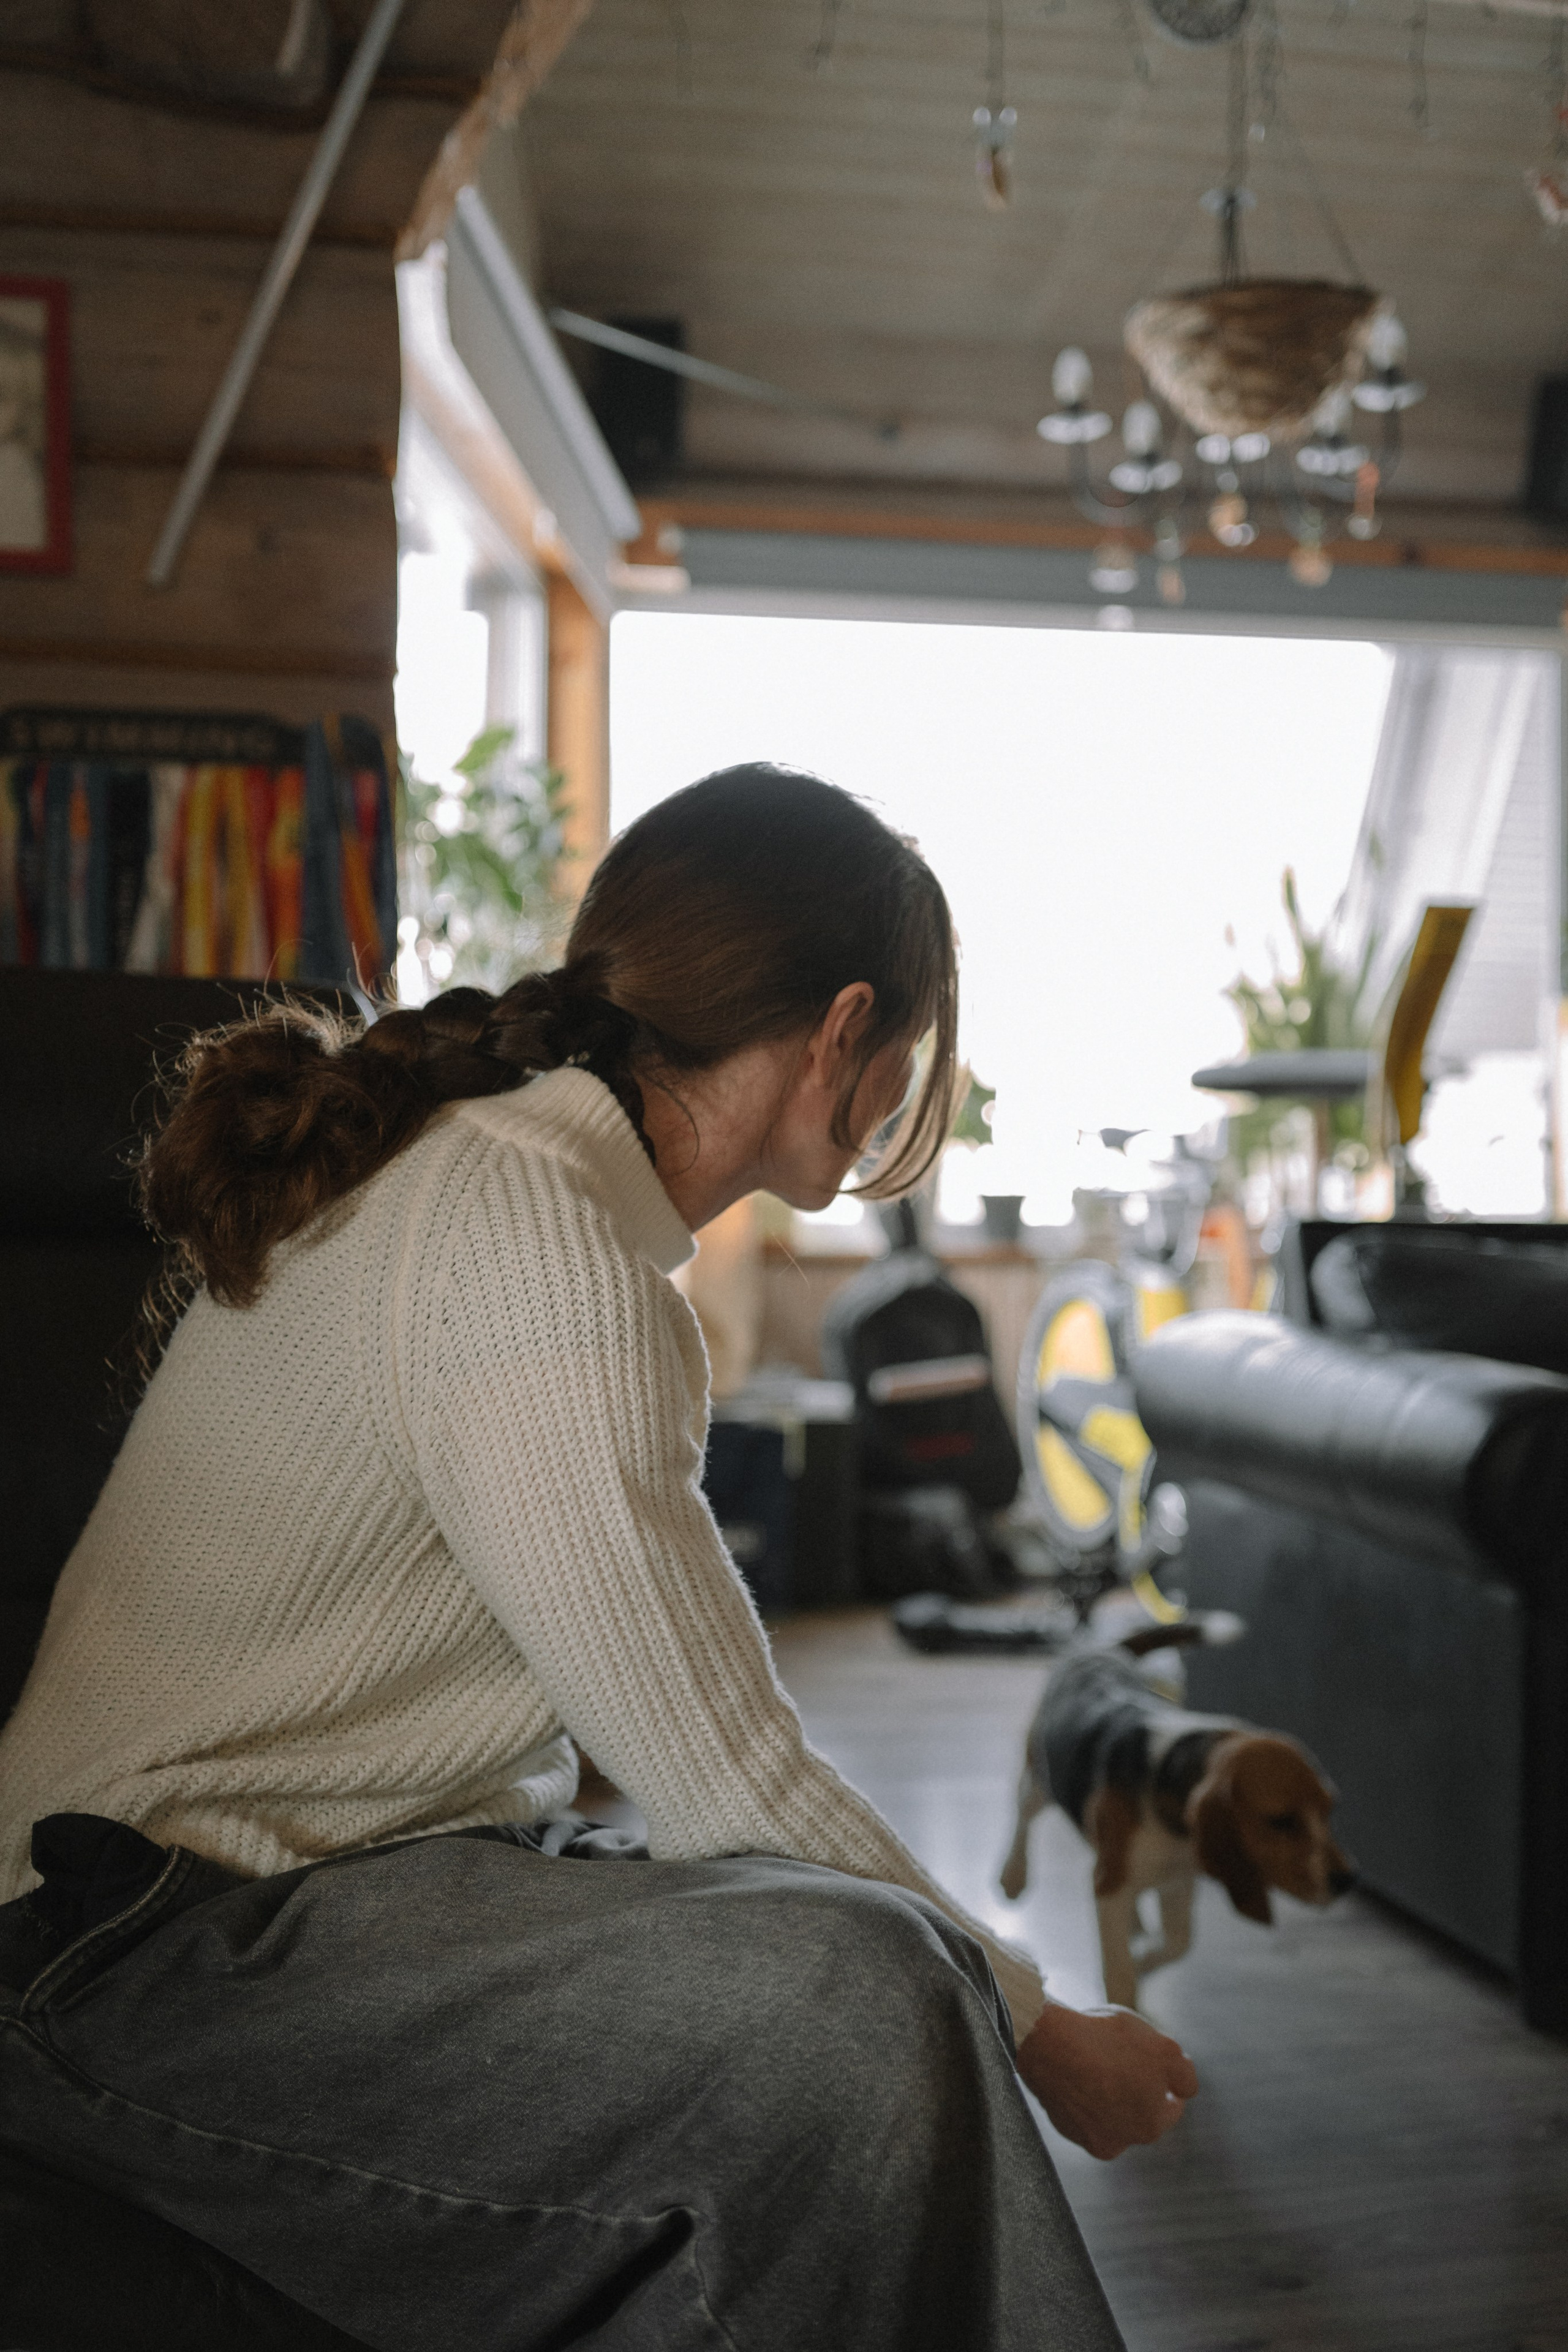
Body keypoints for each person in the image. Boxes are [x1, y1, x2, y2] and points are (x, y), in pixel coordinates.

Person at [0, 766, 1196, 2350]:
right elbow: (722, 1775)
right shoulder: (527, 1230)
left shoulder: (519, 1186)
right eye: (907, 1058)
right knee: (867, 2002)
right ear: (845, 1036)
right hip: (128, 1944)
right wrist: (1044, 2029)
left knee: (868, 1971)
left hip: (325, 1896)